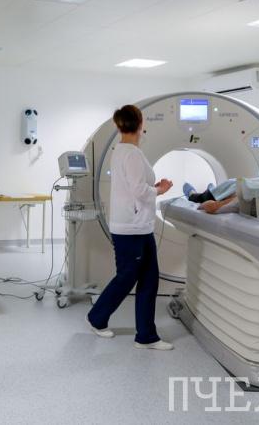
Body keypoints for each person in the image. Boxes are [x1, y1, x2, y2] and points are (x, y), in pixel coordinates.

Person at [86, 105, 174, 350]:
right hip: (131, 228)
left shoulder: (121, 150)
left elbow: (133, 186)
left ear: (118, 125)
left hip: (139, 227)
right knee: (127, 278)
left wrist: (152, 187)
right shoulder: (132, 153)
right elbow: (138, 190)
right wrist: (160, 189)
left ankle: (146, 336)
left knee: (149, 279)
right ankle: (96, 317)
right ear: (140, 124)